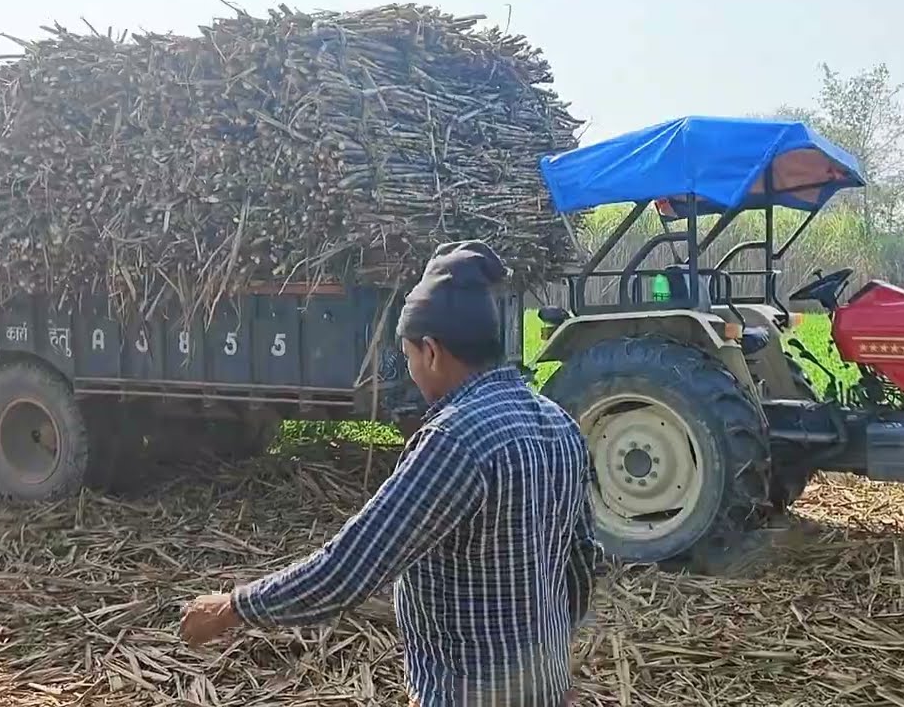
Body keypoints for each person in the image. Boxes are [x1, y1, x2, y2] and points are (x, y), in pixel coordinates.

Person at [179, 240, 603, 707]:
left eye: (408, 357)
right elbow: (583, 557)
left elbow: (350, 567)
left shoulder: (453, 441)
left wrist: (234, 607)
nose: (411, 370)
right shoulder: (556, 422)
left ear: (433, 352)